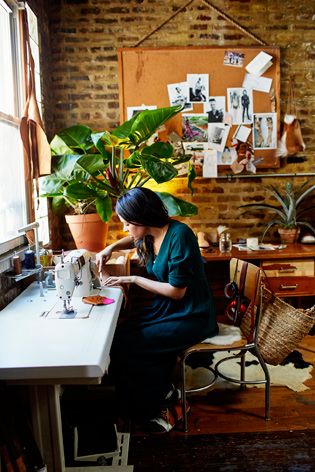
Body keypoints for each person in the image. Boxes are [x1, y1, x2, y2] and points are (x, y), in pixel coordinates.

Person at [96, 188, 217, 433]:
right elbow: (133, 238)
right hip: (168, 310)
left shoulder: (179, 235)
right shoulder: (150, 233)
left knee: (133, 344)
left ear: (142, 218)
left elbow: (177, 292)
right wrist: (111, 248)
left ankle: (164, 400)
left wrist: (134, 280)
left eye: (128, 223)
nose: (126, 228)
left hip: (192, 314)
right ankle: (150, 399)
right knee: (118, 338)